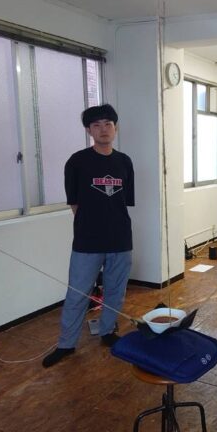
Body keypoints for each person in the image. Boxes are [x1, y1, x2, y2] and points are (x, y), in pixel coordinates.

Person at [43, 104, 134, 368]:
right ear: (89, 130)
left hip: (121, 239)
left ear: (115, 128)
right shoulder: (77, 161)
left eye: (108, 124)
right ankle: (66, 344)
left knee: (115, 291)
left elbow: (124, 202)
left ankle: (107, 331)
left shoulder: (124, 162)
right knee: (77, 294)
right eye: (96, 125)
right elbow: (75, 204)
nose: (103, 129)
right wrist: (91, 226)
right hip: (87, 241)